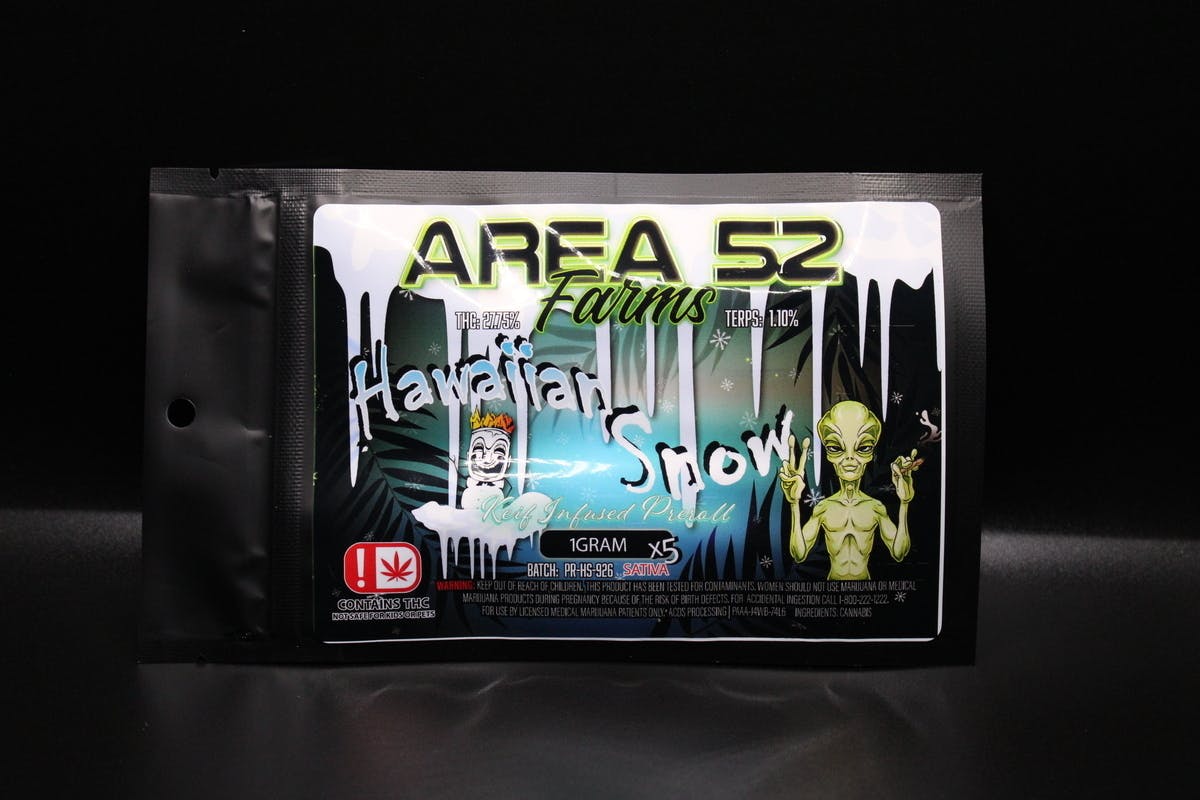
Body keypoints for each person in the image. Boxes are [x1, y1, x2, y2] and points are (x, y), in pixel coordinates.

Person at [778, 400, 921, 580]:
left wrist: (904, 503)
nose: (850, 458)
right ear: (828, 454)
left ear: (872, 453)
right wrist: (794, 503)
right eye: (836, 448)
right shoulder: (824, 508)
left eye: (863, 448)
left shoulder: (875, 507)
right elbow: (799, 554)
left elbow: (899, 553)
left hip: (865, 586)